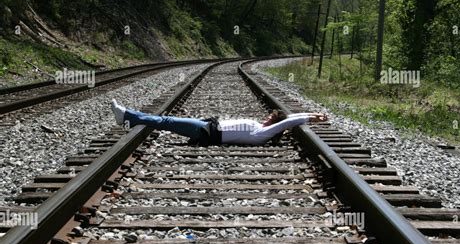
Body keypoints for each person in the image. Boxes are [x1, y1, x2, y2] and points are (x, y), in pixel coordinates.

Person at [111, 99, 328, 146]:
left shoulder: (265, 134)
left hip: (206, 132)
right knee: (166, 121)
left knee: (165, 120)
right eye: (269, 116)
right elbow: (287, 120)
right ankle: (129, 117)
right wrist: (314, 112)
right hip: (207, 126)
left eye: (271, 118)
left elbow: (287, 122)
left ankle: (127, 116)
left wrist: (312, 118)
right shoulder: (262, 130)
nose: (267, 118)